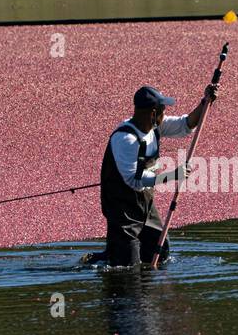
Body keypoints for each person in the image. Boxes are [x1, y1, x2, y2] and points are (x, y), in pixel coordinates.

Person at [90, 82, 217, 267]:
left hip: (146, 204)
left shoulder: (156, 126)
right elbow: (134, 181)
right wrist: (172, 176)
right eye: (163, 110)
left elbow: (187, 124)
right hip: (123, 212)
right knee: (126, 266)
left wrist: (206, 102)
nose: (165, 114)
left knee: (160, 251)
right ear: (152, 113)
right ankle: (99, 260)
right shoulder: (126, 139)